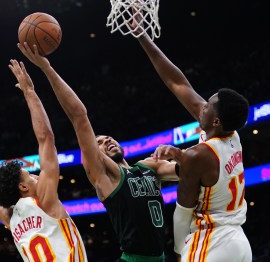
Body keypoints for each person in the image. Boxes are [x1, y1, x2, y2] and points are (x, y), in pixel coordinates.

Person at [16, 42, 179, 262]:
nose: (107, 140)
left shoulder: (149, 166)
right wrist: (47, 68)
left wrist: (180, 154)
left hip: (162, 257)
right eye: (99, 142)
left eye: (108, 138)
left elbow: (187, 169)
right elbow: (79, 116)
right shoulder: (103, 174)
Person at [134, 29, 253, 261]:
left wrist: (179, 252)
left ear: (216, 121)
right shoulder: (231, 133)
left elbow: (182, 213)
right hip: (239, 241)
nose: (202, 106)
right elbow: (178, 83)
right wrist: (142, 36)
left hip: (212, 242)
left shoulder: (199, 155)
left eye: (208, 105)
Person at [0, 59, 88, 261]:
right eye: (29, 175)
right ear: (23, 187)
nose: (36, 175)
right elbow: (46, 137)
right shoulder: (44, 201)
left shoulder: (10, 219)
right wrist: (29, 91)